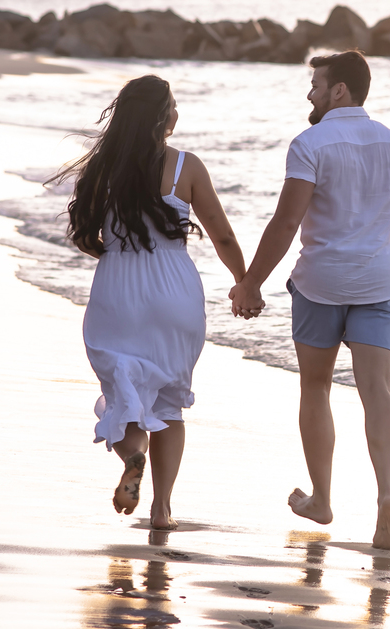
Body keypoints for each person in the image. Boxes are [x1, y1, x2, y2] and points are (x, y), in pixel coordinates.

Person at [229, 51, 390, 551]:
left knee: (316, 387)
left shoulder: (310, 143)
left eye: (316, 84)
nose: (310, 93)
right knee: (378, 392)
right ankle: (387, 495)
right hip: (376, 283)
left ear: (340, 90)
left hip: (321, 283)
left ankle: (323, 499)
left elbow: (286, 222)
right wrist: (380, 200)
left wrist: (251, 283)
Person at [49, 74, 248, 530]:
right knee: (168, 406)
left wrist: (118, 253)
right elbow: (222, 234)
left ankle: (133, 455)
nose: (178, 113)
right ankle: (162, 510)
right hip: (174, 290)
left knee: (123, 389)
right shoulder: (187, 167)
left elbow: (84, 233)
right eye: (173, 105)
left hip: (118, 288)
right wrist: (244, 281)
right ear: (162, 117)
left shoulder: (103, 167)